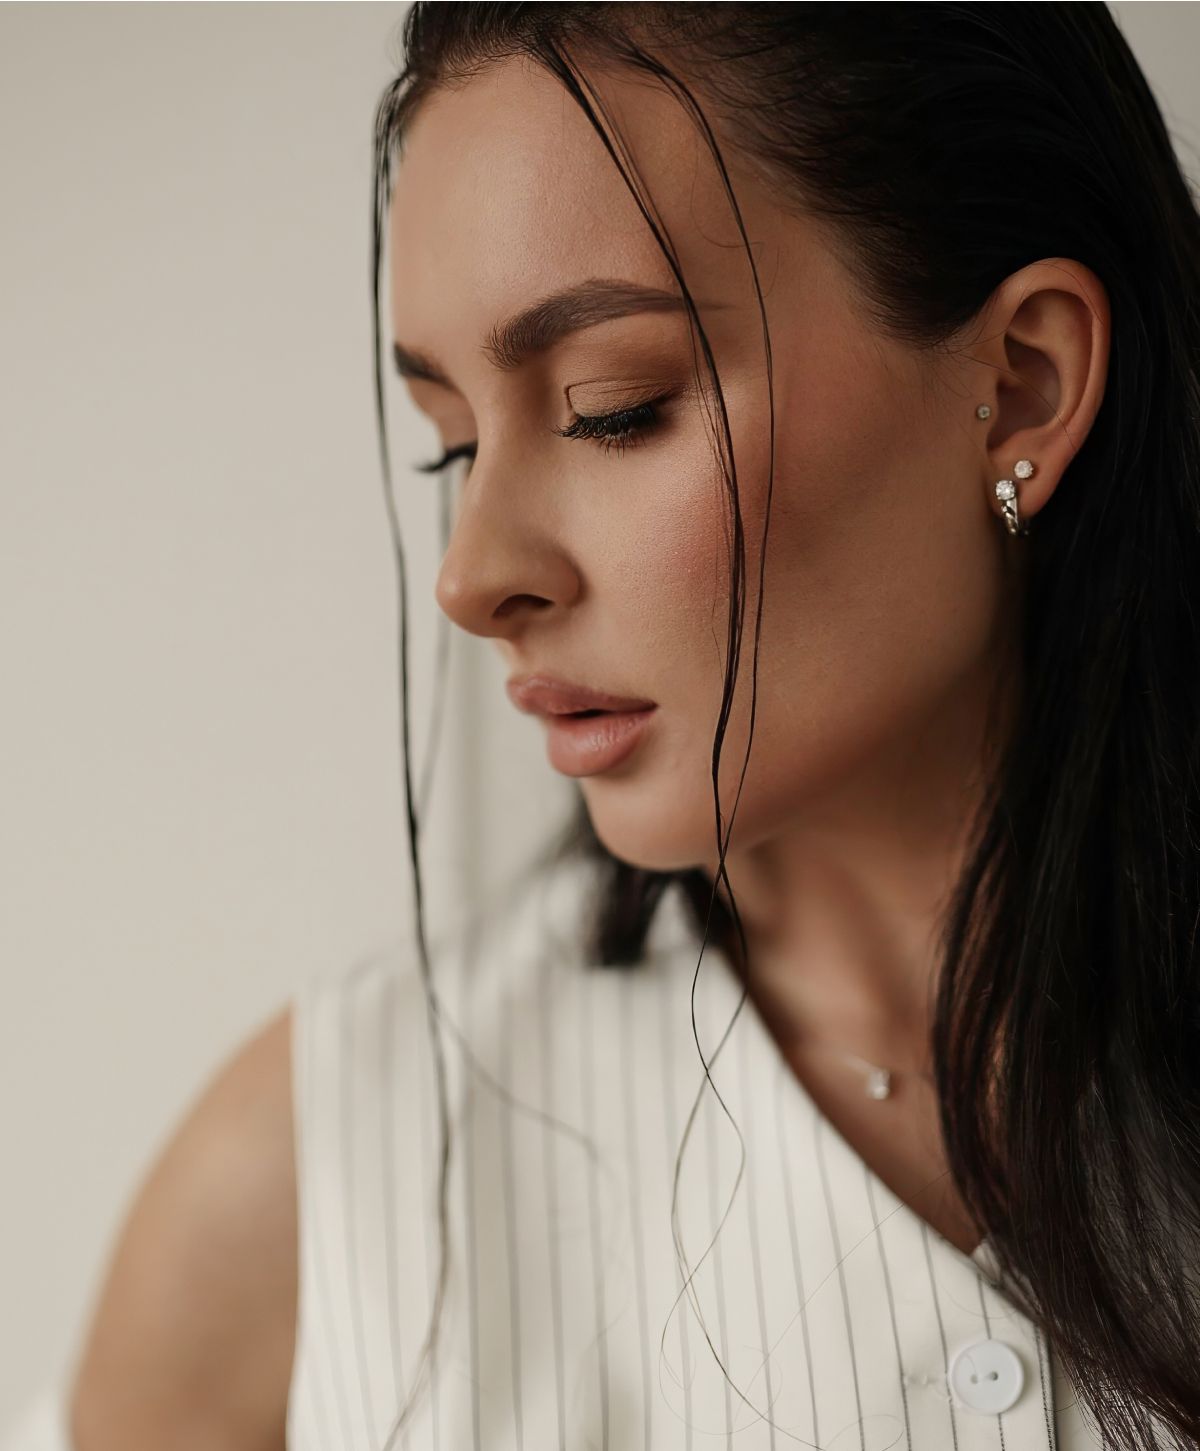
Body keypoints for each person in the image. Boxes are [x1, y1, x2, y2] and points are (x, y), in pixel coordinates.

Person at [8, 3, 1200, 1447]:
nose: (472, 573)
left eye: (609, 409)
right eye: (452, 443)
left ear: (1021, 382)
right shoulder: (317, 1184)